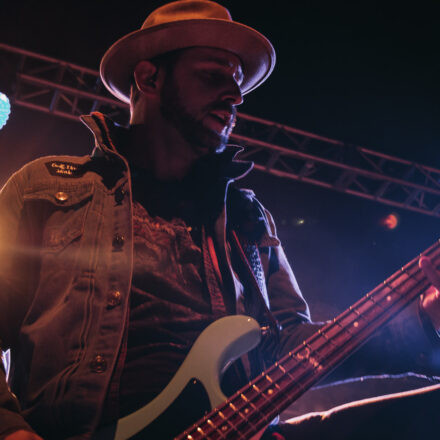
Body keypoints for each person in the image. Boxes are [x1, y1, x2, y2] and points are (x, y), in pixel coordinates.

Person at [1, 1, 440, 439]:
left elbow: (289, 349)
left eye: (236, 82)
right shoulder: (44, 189)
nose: (235, 95)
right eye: (214, 77)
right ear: (148, 77)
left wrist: (422, 321)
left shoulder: (248, 218)